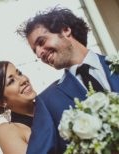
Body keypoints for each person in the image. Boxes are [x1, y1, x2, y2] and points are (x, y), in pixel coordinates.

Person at [17, 7, 119, 154]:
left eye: (41, 42)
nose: (39, 54)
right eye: (35, 51)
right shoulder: (47, 102)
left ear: (65, 30)